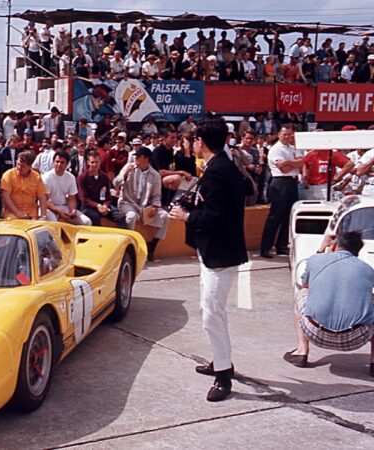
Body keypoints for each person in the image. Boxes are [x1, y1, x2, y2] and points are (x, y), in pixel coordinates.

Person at [169, 115, 248, 402]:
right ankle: (220, 359)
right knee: (212, 312)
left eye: (193, 139)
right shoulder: (221, 166)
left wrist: (186, 215)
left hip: (220, 254)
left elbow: (216, 217)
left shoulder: (217, 171)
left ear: (201, 142)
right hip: (215, 253)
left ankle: (223, 376)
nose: (191, 143)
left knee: (211, 315)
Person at [284, 231, 374, 375]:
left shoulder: (315, 259)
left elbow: (306, 284)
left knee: (301, 293)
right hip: (355, 338)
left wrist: (322, 247)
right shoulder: (368, 269)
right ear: (357, 250)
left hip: (316, 333)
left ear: (334, 245)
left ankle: (301, 351)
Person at [114, 147, 169, 261]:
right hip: (127, 202)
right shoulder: (129, 167)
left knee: (165, 216)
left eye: (138, 157)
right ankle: (129, 248)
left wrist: (155, 206)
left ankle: (151, 247)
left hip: (144, 206)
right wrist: (125, 174)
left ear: (146, 159)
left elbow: (157, 196)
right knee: (131, 217)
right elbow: (115, 183)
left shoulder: (155, 175)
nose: (136, 159)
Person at [260, 124, 302, 258]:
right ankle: (266, 247)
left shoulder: (293, 148)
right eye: (285, 134)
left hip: (293, 182)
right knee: (275, 216)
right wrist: (294, 162)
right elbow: (283, 169)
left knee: (288, 216)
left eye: (290, 134)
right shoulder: (276, 149)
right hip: (280, 183)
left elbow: (302, 163)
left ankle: (281, 245)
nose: (287, 137)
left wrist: (289, 162)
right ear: (278, 134)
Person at [79, 151, 126, 228]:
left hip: (103, 205)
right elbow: (84, 199)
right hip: (89, 207)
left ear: (100, 162)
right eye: (92, 162)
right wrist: (97, 205)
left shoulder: (104, 177)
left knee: (121, 216)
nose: (94, 165)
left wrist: (105, 205)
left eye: (97, 162)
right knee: (95, 217)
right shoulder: (82, 178)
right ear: (88, 162)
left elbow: (108, 196)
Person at [43, 151, 92, 225]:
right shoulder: (46, 177)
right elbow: (44, 201)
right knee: (55, 225)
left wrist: (73, 210)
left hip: (64, 206)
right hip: (49, 208)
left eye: (62, 162)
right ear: (53, 162)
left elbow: (72, 198)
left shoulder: (71, 178)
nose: (59, 164)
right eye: (57, 162)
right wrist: (59, 212)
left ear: (67, 164)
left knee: (87, 222)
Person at [1, 150, 47, 220]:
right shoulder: (8, 175)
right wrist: (17, 213)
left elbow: (42, 197)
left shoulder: (37, 177)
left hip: (31, 213)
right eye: (18, 164)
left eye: (22, 166)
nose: (19, 167)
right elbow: (5, 196)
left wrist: (43, 216)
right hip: (12, 212)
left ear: (30, 166)